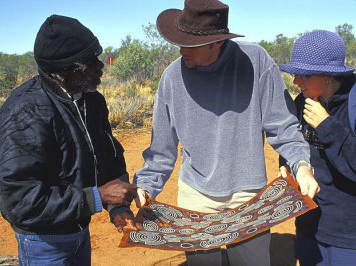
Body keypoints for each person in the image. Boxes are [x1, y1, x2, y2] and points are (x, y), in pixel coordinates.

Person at [133, 0, 319, 265]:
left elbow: (283, 126)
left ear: (217, 42)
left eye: (191, 44)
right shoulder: (172, 78)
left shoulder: (256, 62)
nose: (182, 50)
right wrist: (147, 185)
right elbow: (160, 150)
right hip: (195, 194)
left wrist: (301, 165)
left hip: (248, 194)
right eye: (180, 41)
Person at [0, 15, 138, 266]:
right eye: (90, 62)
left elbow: (106, 157)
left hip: (78, 229)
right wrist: (98, 197)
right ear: (65, 71)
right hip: (43, 242)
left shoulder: (90, 100)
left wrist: (117, 207)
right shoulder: (25, 114)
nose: (101, 66)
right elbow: (21, 202)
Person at [278, 30, 356, 265]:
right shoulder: (302, 103)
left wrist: (327, 125)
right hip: (310, 228)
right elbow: (293, 144)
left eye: (303, 75)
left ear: (327, 76)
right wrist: (290, 167)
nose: (296, 81)